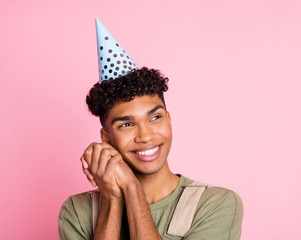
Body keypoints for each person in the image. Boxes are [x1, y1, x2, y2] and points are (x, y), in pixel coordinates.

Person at [58, 19, 243, 240]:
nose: (146, 136)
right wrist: (111, 198)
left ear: (169, 119)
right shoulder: (78, 212)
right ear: (106, 139)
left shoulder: (215, 204)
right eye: (126, 124)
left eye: (155, 117)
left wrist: (132, 187)